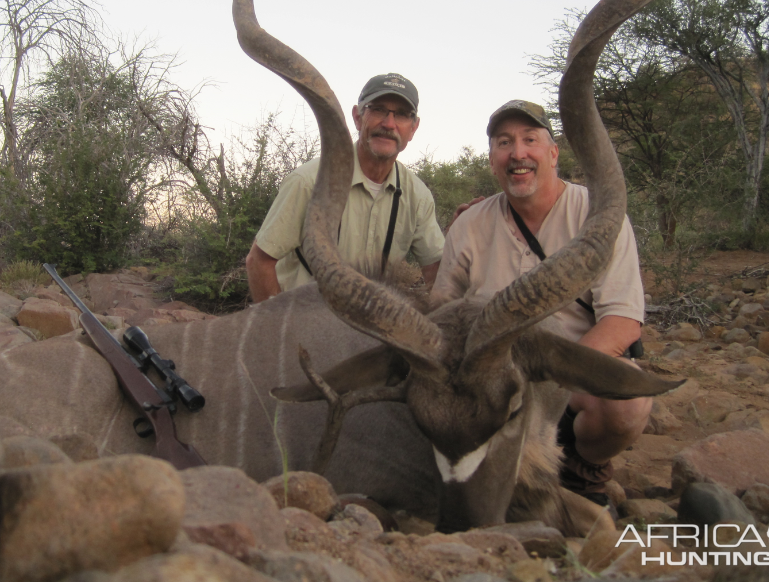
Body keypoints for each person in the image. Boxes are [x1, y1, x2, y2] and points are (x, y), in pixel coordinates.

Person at [430, 99, 647, 507]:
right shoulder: (470, 225)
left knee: (628, 405)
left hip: (566, 379)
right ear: (493, 159)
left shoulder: (598, 214)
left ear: (553, 153)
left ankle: (583, 473)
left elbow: (622, 320)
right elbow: (442, 316)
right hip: (491, 390)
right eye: (504, 143)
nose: (518, 153)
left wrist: (550, 384)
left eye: (530, 140)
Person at [246, 73, 445, 303]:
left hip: (369, 332)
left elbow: (437, 271)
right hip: (302, 325)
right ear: (358, 117)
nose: (389, 124)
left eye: (401, 114)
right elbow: (259, 262)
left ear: (413, 128)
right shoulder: (308, 181)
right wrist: (279, 327)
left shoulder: (417, 196)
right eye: (378, 109)